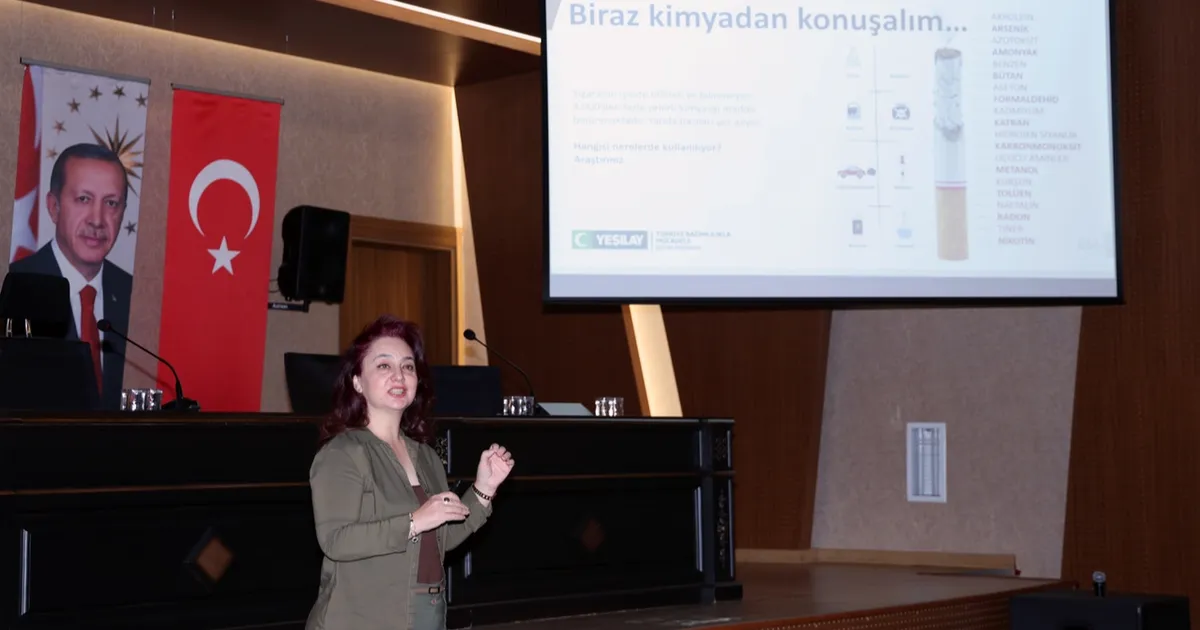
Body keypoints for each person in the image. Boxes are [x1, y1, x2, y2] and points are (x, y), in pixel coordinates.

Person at [306, 315, 514, 630]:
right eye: (384, 365)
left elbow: (439, 540)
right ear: (357, 382)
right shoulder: (342, 453)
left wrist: (484, 489)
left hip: (427, 612)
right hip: (363, 619)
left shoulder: (426, 457)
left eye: (408, 366)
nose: (399, 375)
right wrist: (415, 521)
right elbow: (336, 541)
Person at [9, 142, 133, 410]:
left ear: (122, 213)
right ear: (53, 207)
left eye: (111, 203)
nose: (97, 220)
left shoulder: (134, 294)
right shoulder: (17, 287)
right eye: (84, 199)